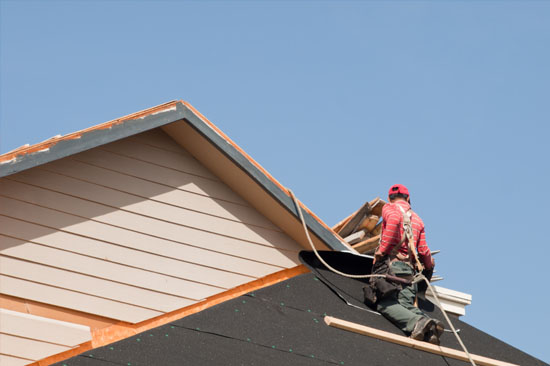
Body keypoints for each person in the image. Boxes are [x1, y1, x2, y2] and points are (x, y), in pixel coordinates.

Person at [371, 184, 444, 344]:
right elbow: (424, 251)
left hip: (392, 267)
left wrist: (381, 251)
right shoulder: (417, 219)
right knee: (404, 304)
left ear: (389, 198)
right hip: (409, 272)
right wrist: (428, 266)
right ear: (408, 198)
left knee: (385, 304)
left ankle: (417, 323)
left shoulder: (389, 208)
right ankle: (428, 327)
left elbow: (394, 221)